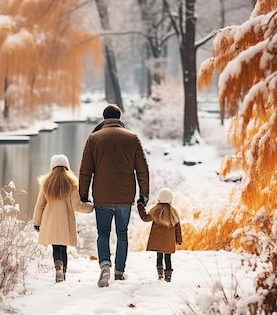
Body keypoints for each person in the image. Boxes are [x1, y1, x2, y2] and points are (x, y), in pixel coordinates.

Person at [79, 104, 150, 287]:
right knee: (122, 235)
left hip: (102, 197)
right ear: (119, 118)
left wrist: (83, 195)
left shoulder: (94, 138)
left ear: (104, 118)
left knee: (102, 233)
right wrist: (144, 195)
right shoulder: (132, 138)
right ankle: (119, 272)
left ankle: (105, 265)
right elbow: (142, 170)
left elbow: (85, 171)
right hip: (125, 198)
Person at [33, 154, 94, 282]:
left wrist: (37, 222)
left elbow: (40, 205)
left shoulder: (46, 184)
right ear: (67, 167)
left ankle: (58, 267)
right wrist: (91, 207)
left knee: (56, 247)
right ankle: (64, 273)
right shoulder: (71, 184)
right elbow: (77, 206)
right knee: (63, 248)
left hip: (50, 222)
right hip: (66, 222)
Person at [137, 188, 182, 282]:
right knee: (168, 258)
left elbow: (145, 218)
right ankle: (168, 278)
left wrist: (140, 206)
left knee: (159, 256)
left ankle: (160, 275)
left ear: (159, 199)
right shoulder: (174, 213)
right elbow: (178, 228)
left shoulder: (155, 211)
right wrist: (179, 240)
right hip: (169, 242)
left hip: (158, 241)